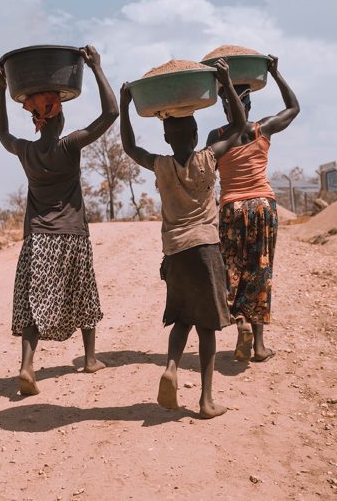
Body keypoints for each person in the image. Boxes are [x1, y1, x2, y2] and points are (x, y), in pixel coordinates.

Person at [119, 58, 245, 418]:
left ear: (166, 137)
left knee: (181, 318)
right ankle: (205, 400)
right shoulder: (209, 157)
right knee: (207, 326)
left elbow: (129, 148)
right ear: (193, 134)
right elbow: (237, 125)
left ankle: (172, 366)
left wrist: (127, 107)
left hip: (175, 252)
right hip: (206, 248)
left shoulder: (160, 165)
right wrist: (225, 82)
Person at [0, 45, 119, 396]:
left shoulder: (27, 150)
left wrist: (2, 90)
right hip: (72, 236)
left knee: (36, 302)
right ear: (58, 119)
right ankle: (91, 358)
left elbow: (2, 133)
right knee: (84, 296)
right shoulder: (70, 146)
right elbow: (110, 113)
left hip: (38, 238)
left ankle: (26, 366)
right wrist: (96, 68)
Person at [205, 55, 300, 363]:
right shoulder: (263, 129)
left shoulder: (216, 137)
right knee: (259, 271)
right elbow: (294, 108)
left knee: (232, 271)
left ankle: (241, 324)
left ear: (225, 105)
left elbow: (206, 175)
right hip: (263, 206)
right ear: (249, 105)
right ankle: (258, 346)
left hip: (232, 207)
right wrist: (275, 71)